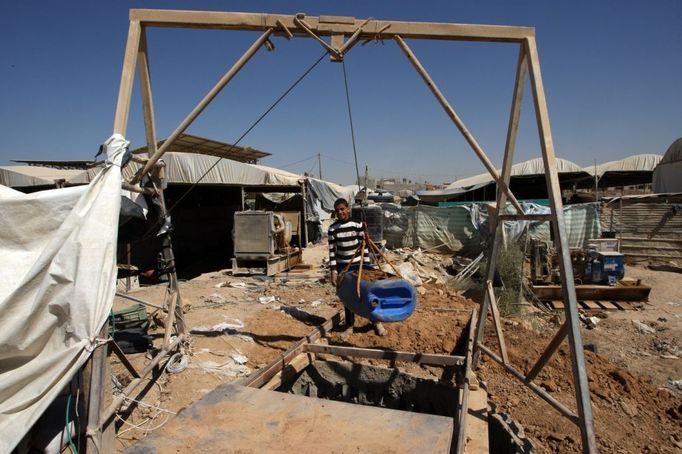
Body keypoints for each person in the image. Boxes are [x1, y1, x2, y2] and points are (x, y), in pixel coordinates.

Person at [328, 198, 387, 337]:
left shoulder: (357, 225)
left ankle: (376, 321)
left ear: (348, 209)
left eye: (342, 209)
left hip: (359, 264)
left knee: (367, 293)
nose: (340, 212)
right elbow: (331, 252)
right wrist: (333, 272)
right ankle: (350, 325)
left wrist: (367, 266)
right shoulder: (333, 229)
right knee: (348, 297)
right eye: (337, 210)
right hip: (344, 266)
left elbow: (364, 246)